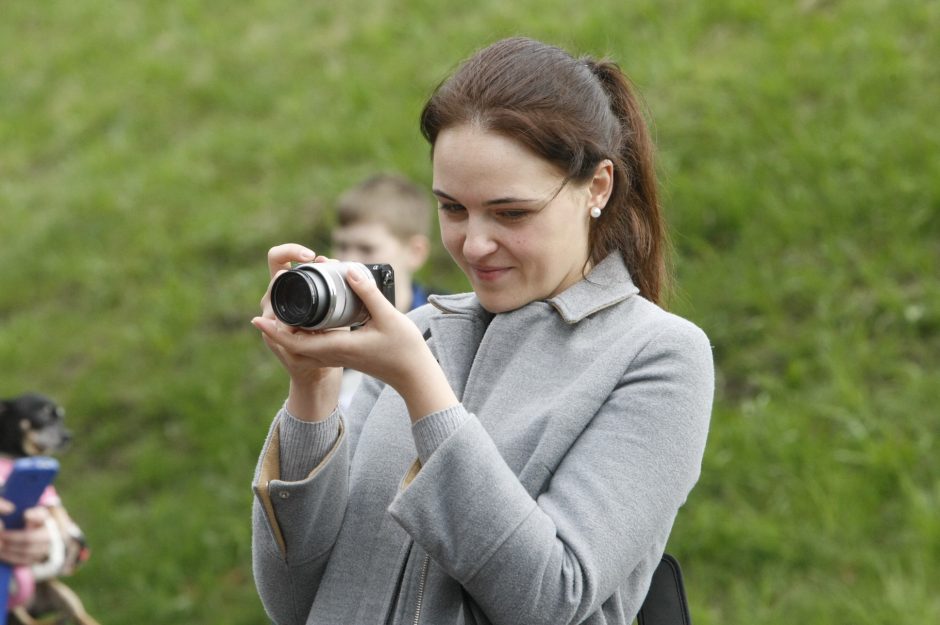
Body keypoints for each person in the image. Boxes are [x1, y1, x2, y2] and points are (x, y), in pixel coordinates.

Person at [250, 36, 714, 625]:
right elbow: (295, 602)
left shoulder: (659, 356)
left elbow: (551, 599)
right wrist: (313, 389)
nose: (474, 244)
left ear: (597, 186)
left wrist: (421, 389)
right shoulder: (417, 334)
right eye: (452, 208)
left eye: (511, 213)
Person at [328, 173, 433, 409]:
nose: (349, 260)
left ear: (415, 252)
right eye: (342, 245)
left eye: (367, 249)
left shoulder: (442, 325)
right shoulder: (332, 322)